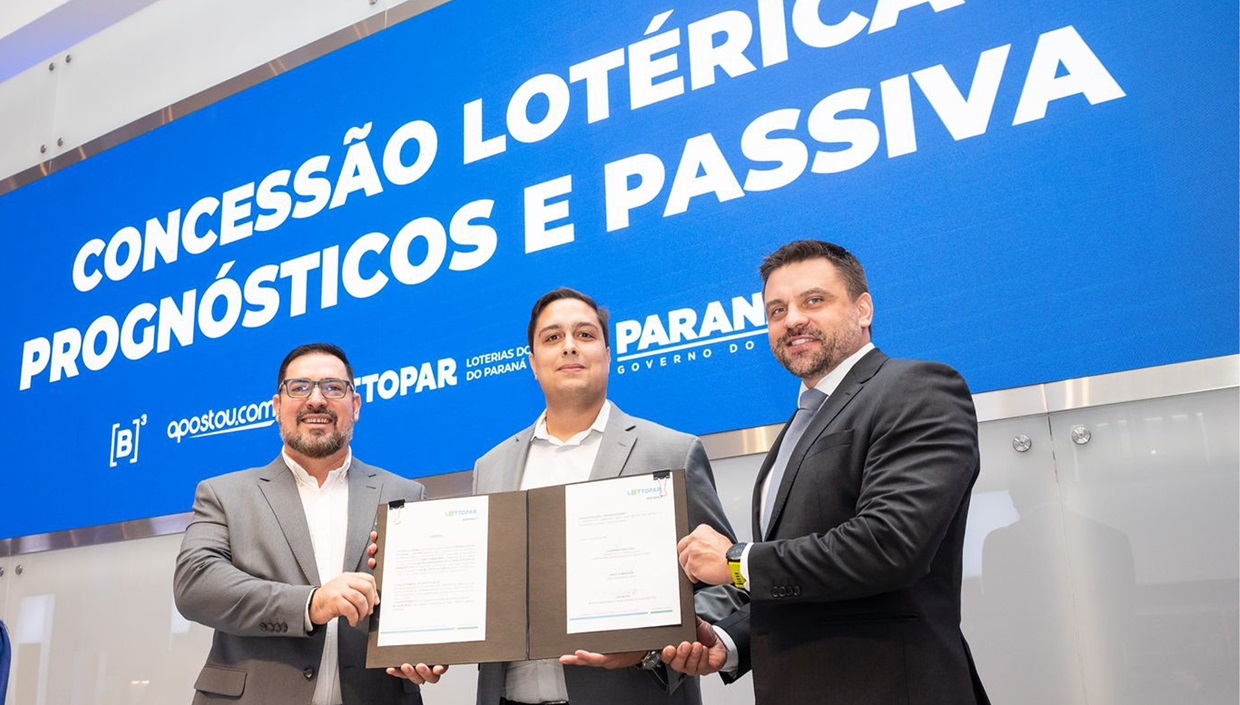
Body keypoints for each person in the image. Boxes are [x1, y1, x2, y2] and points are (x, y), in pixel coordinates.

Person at [670, 241, 991, 704]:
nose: (792, 320)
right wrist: (729, 640)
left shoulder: (917, 389)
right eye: (777, 310)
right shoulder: (800, 424)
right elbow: (805, 585)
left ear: (863, 310)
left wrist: (737, 562)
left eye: (814, 300)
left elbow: (888, 545)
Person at [470, 287, 745, 705]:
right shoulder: (490, 466)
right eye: (552, 337)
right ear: (533, 363)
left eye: (584, 334)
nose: (569, 347)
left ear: (608, 354)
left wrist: (655, 646)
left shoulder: (672, 452)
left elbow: (725, 585)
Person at [174, 343, 442, 705]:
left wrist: (428, 649)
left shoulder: (405, 494)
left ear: (356, 406)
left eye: (333, 387)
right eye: (299, 387)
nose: (316, 400)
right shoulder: (224, 494)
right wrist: (311, 603)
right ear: (277, 406)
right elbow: (196, 585)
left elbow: (423, 603)